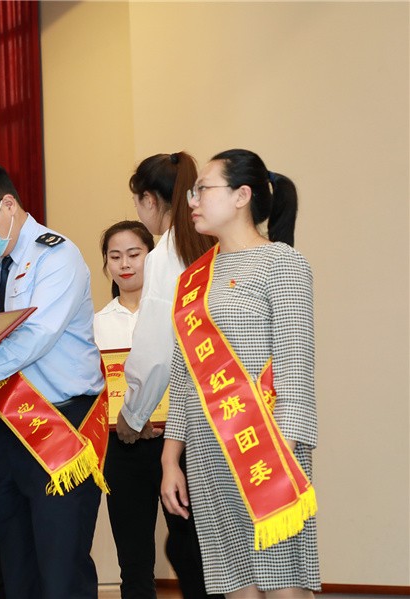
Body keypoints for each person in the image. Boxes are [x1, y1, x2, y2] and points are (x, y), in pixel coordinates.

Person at [0, 160, 107, 599]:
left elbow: (35, 338)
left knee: (61, 567)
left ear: (8, 204)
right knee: (14, 568)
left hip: (61, 423)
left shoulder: (57, 256)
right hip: (6, 427)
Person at [161, 149, 319, 598]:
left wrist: (281, 457)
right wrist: (170, 459)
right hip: (207, 455)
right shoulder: (193, 279)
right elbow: (184, 375)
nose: (192, 201)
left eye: (202, 189)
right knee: (234, 583)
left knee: (282, 581)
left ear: (241, 196)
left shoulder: (281, 262)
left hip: (265, 447)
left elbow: (296, 368)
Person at [113, 152, 219, 599]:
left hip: (186, 421)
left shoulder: (166, 256)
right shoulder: (211, 246)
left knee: (187, 548)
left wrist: (133, 413)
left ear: (150, 199)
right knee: (211, 545)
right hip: (227, 411)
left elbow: (156, 351)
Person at [93, 221, 163, 599]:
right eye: (115, 256)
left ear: (152, 256)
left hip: (176, 443)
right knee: (134, 561)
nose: (125, 264)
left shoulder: (172, 313)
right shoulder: (96, 325)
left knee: (194, 550)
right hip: (121, 448)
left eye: (134, 254)